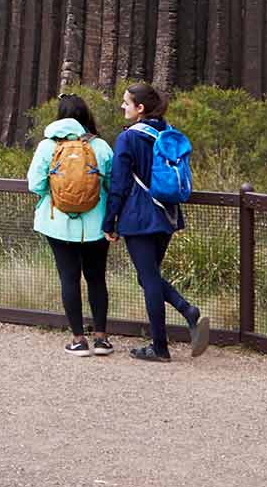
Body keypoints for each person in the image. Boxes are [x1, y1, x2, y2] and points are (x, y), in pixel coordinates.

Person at [104, 81, 209, 362]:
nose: (123, 107)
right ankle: (187, 311)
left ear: (139, 109)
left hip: (139, 217)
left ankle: (160, 346)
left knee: (148, 278)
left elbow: (120, 184)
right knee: (147, 275)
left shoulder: (128, 138)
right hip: (166, 214)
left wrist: (109, 221)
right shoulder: (167, 131)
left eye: (127, 103)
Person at [27, 93, 116, 357]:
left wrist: (55, 194)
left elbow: (35, 184)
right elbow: (113, 184)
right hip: (96, 224)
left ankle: (78, 340)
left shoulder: (47, 146)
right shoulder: (100, 147)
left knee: (69, 278)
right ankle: (101, 338)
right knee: (96, 278)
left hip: (57, 223)